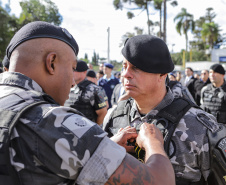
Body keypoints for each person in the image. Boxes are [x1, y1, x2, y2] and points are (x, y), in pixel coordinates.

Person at [0, 21, 175, 185]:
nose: (73, 82)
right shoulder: (53, 121)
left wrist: (106, 147)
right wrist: (153, 143)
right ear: (51, 63)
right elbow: (161, 180)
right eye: (72, 68)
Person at [103, 35, 220, 185]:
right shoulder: (114, 116)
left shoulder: (199, 127)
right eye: (125, 66)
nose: (126, 74)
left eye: (136, 68)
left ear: (162, 74)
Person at [64, 60, 108, 125]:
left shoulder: (94, 89)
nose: (71, 72)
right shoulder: (68, 87)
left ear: (84, 72)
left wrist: (94, 129)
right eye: (71, 70)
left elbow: (102, 113)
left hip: (86, 131)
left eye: (75, 70)